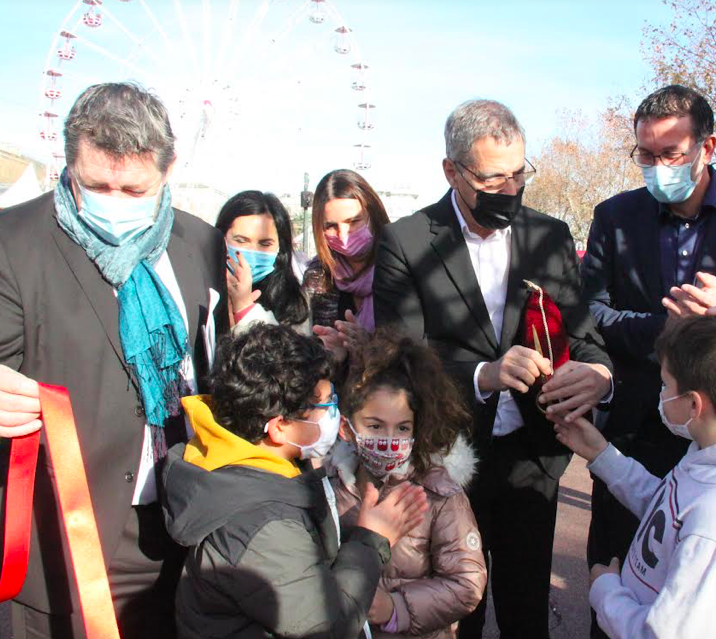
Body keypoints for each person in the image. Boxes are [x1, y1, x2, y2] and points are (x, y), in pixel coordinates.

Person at [373, 99, 614, 639]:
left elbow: (585, 336)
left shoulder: (549, 237)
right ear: (452, 171)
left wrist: (597, 376)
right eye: (493, 177)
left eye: (519, 173)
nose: (510, 189)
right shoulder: (407, 242)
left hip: (532, 461)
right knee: (456, 614)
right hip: (447, 462)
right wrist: (484, 373)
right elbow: (402, 358)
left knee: (527, 610)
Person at [0, 82, 227, 638]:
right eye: (97, 185)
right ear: (68, 160)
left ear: (168, 169)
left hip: (186, 531)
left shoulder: (201, 244)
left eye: (134, 188)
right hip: (67, 539)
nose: (116, 201)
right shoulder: (13, 242)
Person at [579, 85, 716, 637]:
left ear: (708, 146)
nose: (657, 167)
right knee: (614, 586)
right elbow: (587, 314)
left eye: (671, 154)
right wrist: (664, 331)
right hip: (634, 428)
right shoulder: (614, 216)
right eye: (645, 155)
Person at [160, 323, 428, 638]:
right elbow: (325, 626)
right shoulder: (261, 527)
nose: (334, 413)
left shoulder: (236, 461)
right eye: (326, 405)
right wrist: (371, 539)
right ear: (279, 428)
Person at [554, 315, 716, 639]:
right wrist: (602, 455)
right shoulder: (709, 455)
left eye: (666, 384)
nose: (662, 393)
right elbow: (668, 512)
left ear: (694, 403)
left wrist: (606, 592)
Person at [327, 330, 487, 638]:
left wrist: (395, 607)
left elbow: (467, 582)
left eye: (402, 427)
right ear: (347, 427)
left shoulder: (439, 494)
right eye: (374, 426)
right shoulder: (330, 487)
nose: (388, 439)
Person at [303, 169, 390, 362]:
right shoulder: (317, 277)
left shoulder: (399, 264)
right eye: (331, 226)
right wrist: (332, 354)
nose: (344, 235)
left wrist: (369, 347)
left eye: (353, 222)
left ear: (373, 215)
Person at [215, 190, 311, 334]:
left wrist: (244, 310)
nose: (252, 252)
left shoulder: (294, 303)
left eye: (265, 244)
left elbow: (286, 354)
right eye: (241, 241)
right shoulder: (203, 290)